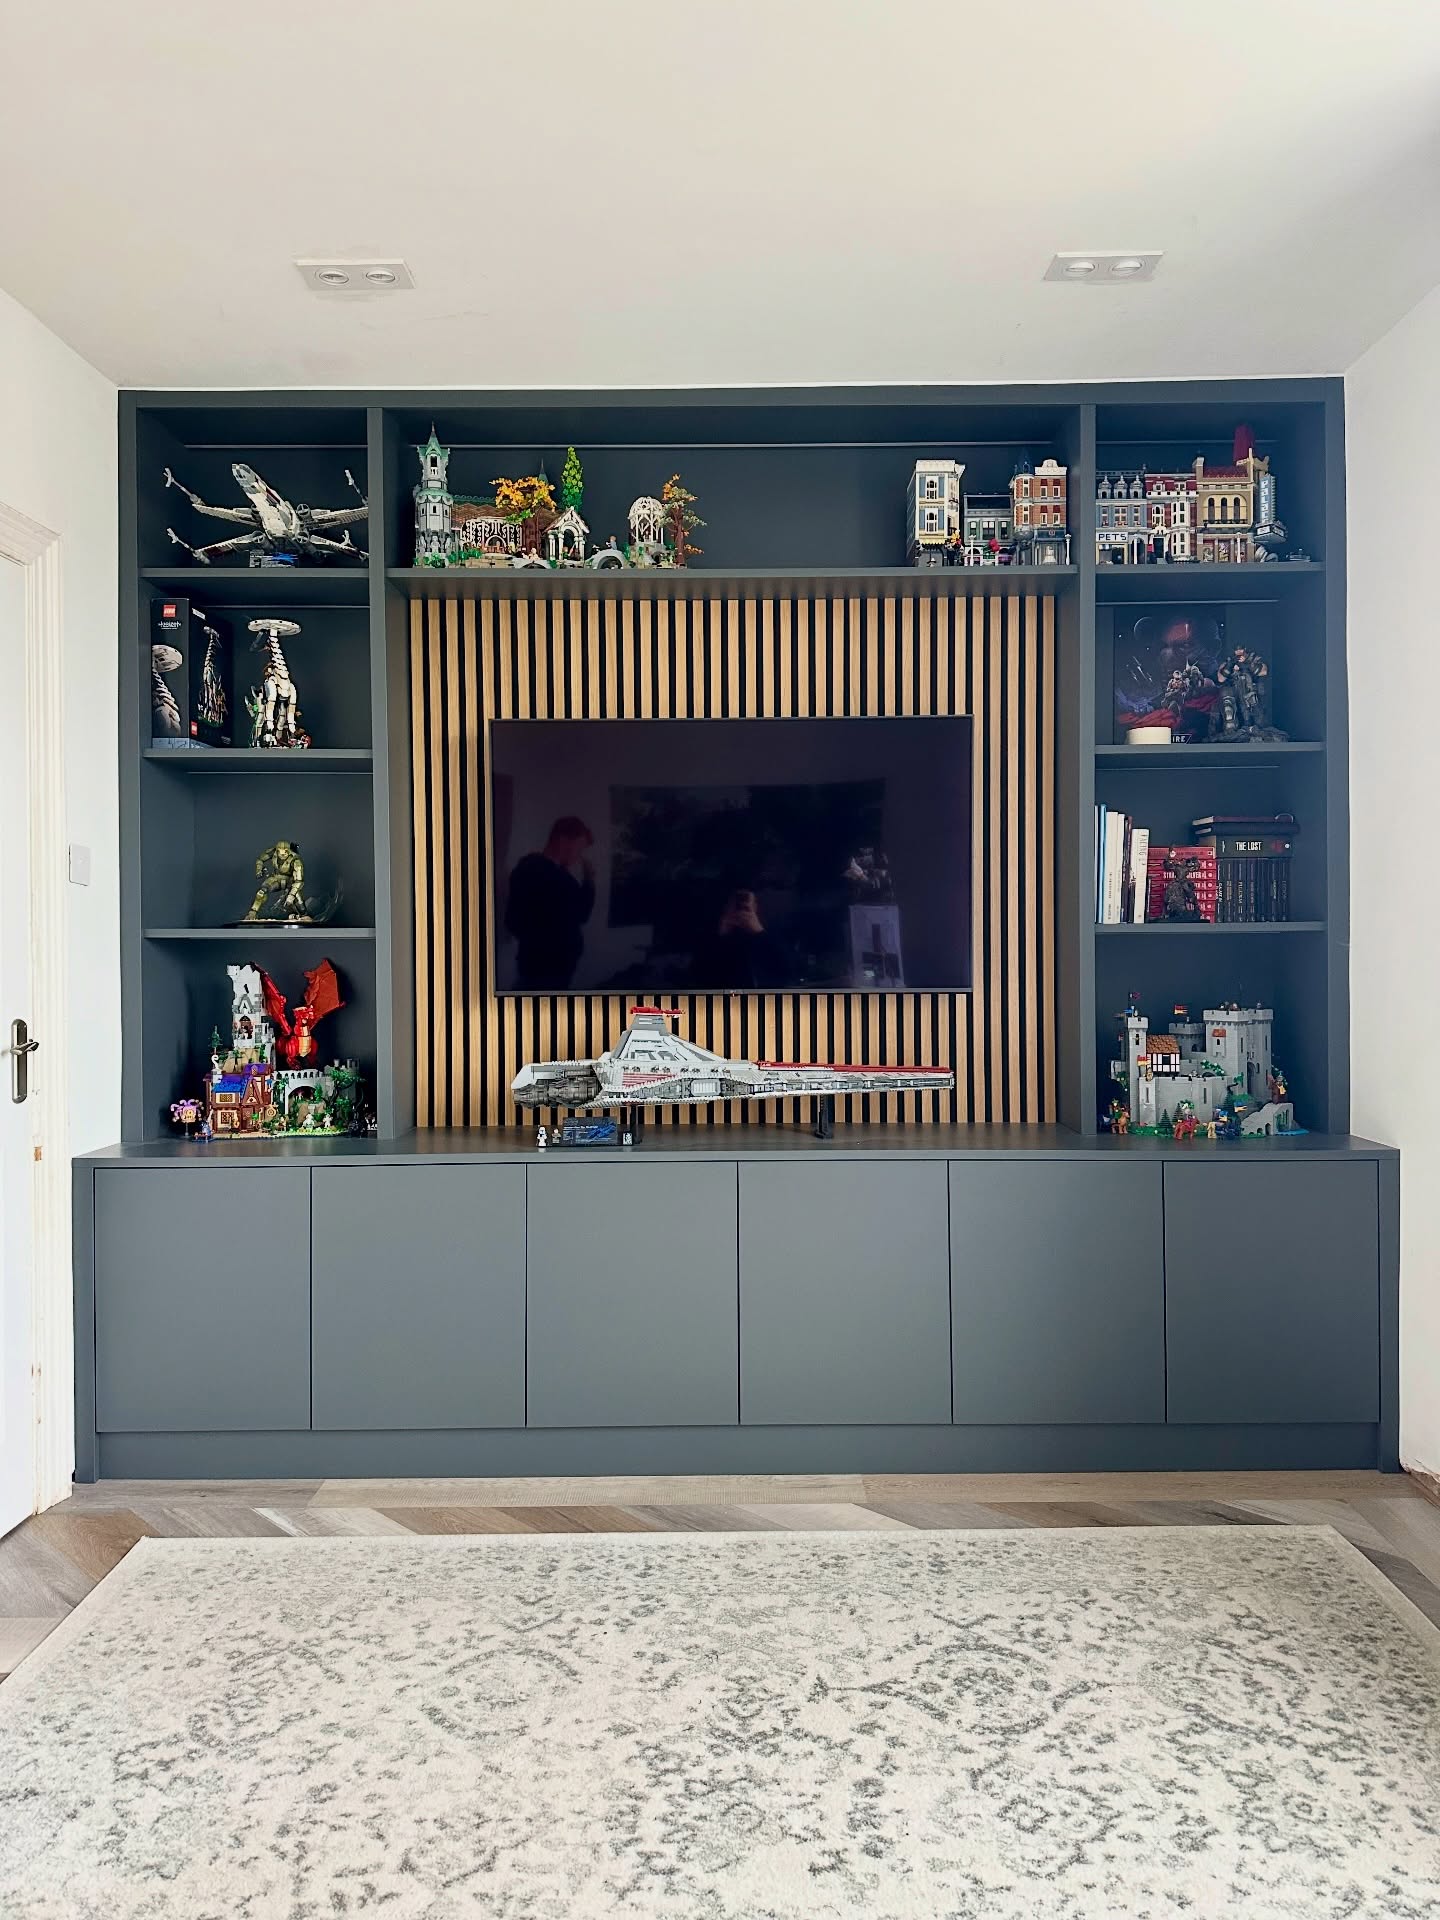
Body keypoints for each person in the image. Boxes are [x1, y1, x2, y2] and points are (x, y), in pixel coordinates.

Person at [504, 816, 596, 989]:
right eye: (579, 847)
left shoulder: (550, 871)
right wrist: (589, 879)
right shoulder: (544, 872)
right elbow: (582, 914)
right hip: (546, 970)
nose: (579, 855)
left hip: (547, 967)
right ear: (562, 841)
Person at [696, 888, 789, 988]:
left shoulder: (772, 933)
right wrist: (721, 935)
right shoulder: (710, 933)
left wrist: (759, 932)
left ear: (755, 907)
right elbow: (698, 974)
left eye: (746, 905)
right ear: (726, 906)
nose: (741, 910)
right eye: (736, 905)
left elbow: (789, 970)